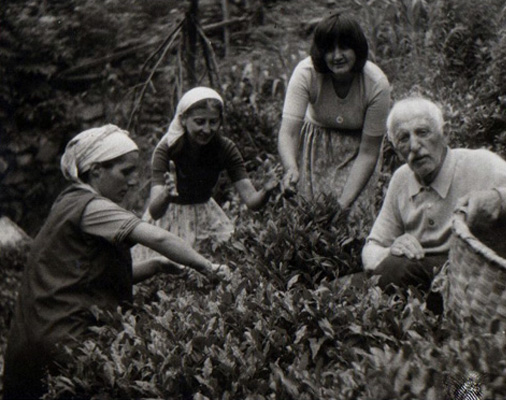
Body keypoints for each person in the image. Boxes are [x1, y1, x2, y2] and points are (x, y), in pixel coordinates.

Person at [2, 125, 229, 400]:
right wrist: (208, 267)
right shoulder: (92, 207)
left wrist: (156, 266)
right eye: (125, 172)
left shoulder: (68, 201)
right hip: (62, 339)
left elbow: (88, 278)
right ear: (96, 170)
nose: (133, 181)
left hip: (35, 336)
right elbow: (158, 237)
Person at [362, 96, 506, 297]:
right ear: (396, 150)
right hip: (421, 283)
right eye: (403, 138)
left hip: (477, 284)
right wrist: (392, 250)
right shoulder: (401, 179)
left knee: (397, 271)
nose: (414, 146)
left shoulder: (481, 164)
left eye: (423, 132)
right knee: (391, 268)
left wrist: (500, 201)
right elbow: (371, 249)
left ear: (445, 134)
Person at [133, 86, 277, 261]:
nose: (207, 129)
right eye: (200, 122)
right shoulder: (167, 149)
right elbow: (155, 212)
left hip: (206, 214)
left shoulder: (226, 148)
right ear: (184, 119)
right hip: (168, 219)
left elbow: (252, 201)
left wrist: (266, 191)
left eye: (213, 122)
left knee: (231, 259)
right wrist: (166, 195)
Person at [277, 13, 391, 216]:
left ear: (357, 49)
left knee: (352, 217)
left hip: (358, 152)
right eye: (329, 49)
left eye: (344, 47)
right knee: (309, 216)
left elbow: (368, 152)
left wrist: (343, 204)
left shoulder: (376, 84)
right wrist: (291, 168)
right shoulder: (306, 73)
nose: (337, 56)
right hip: (315, 147)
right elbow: (289, 133)